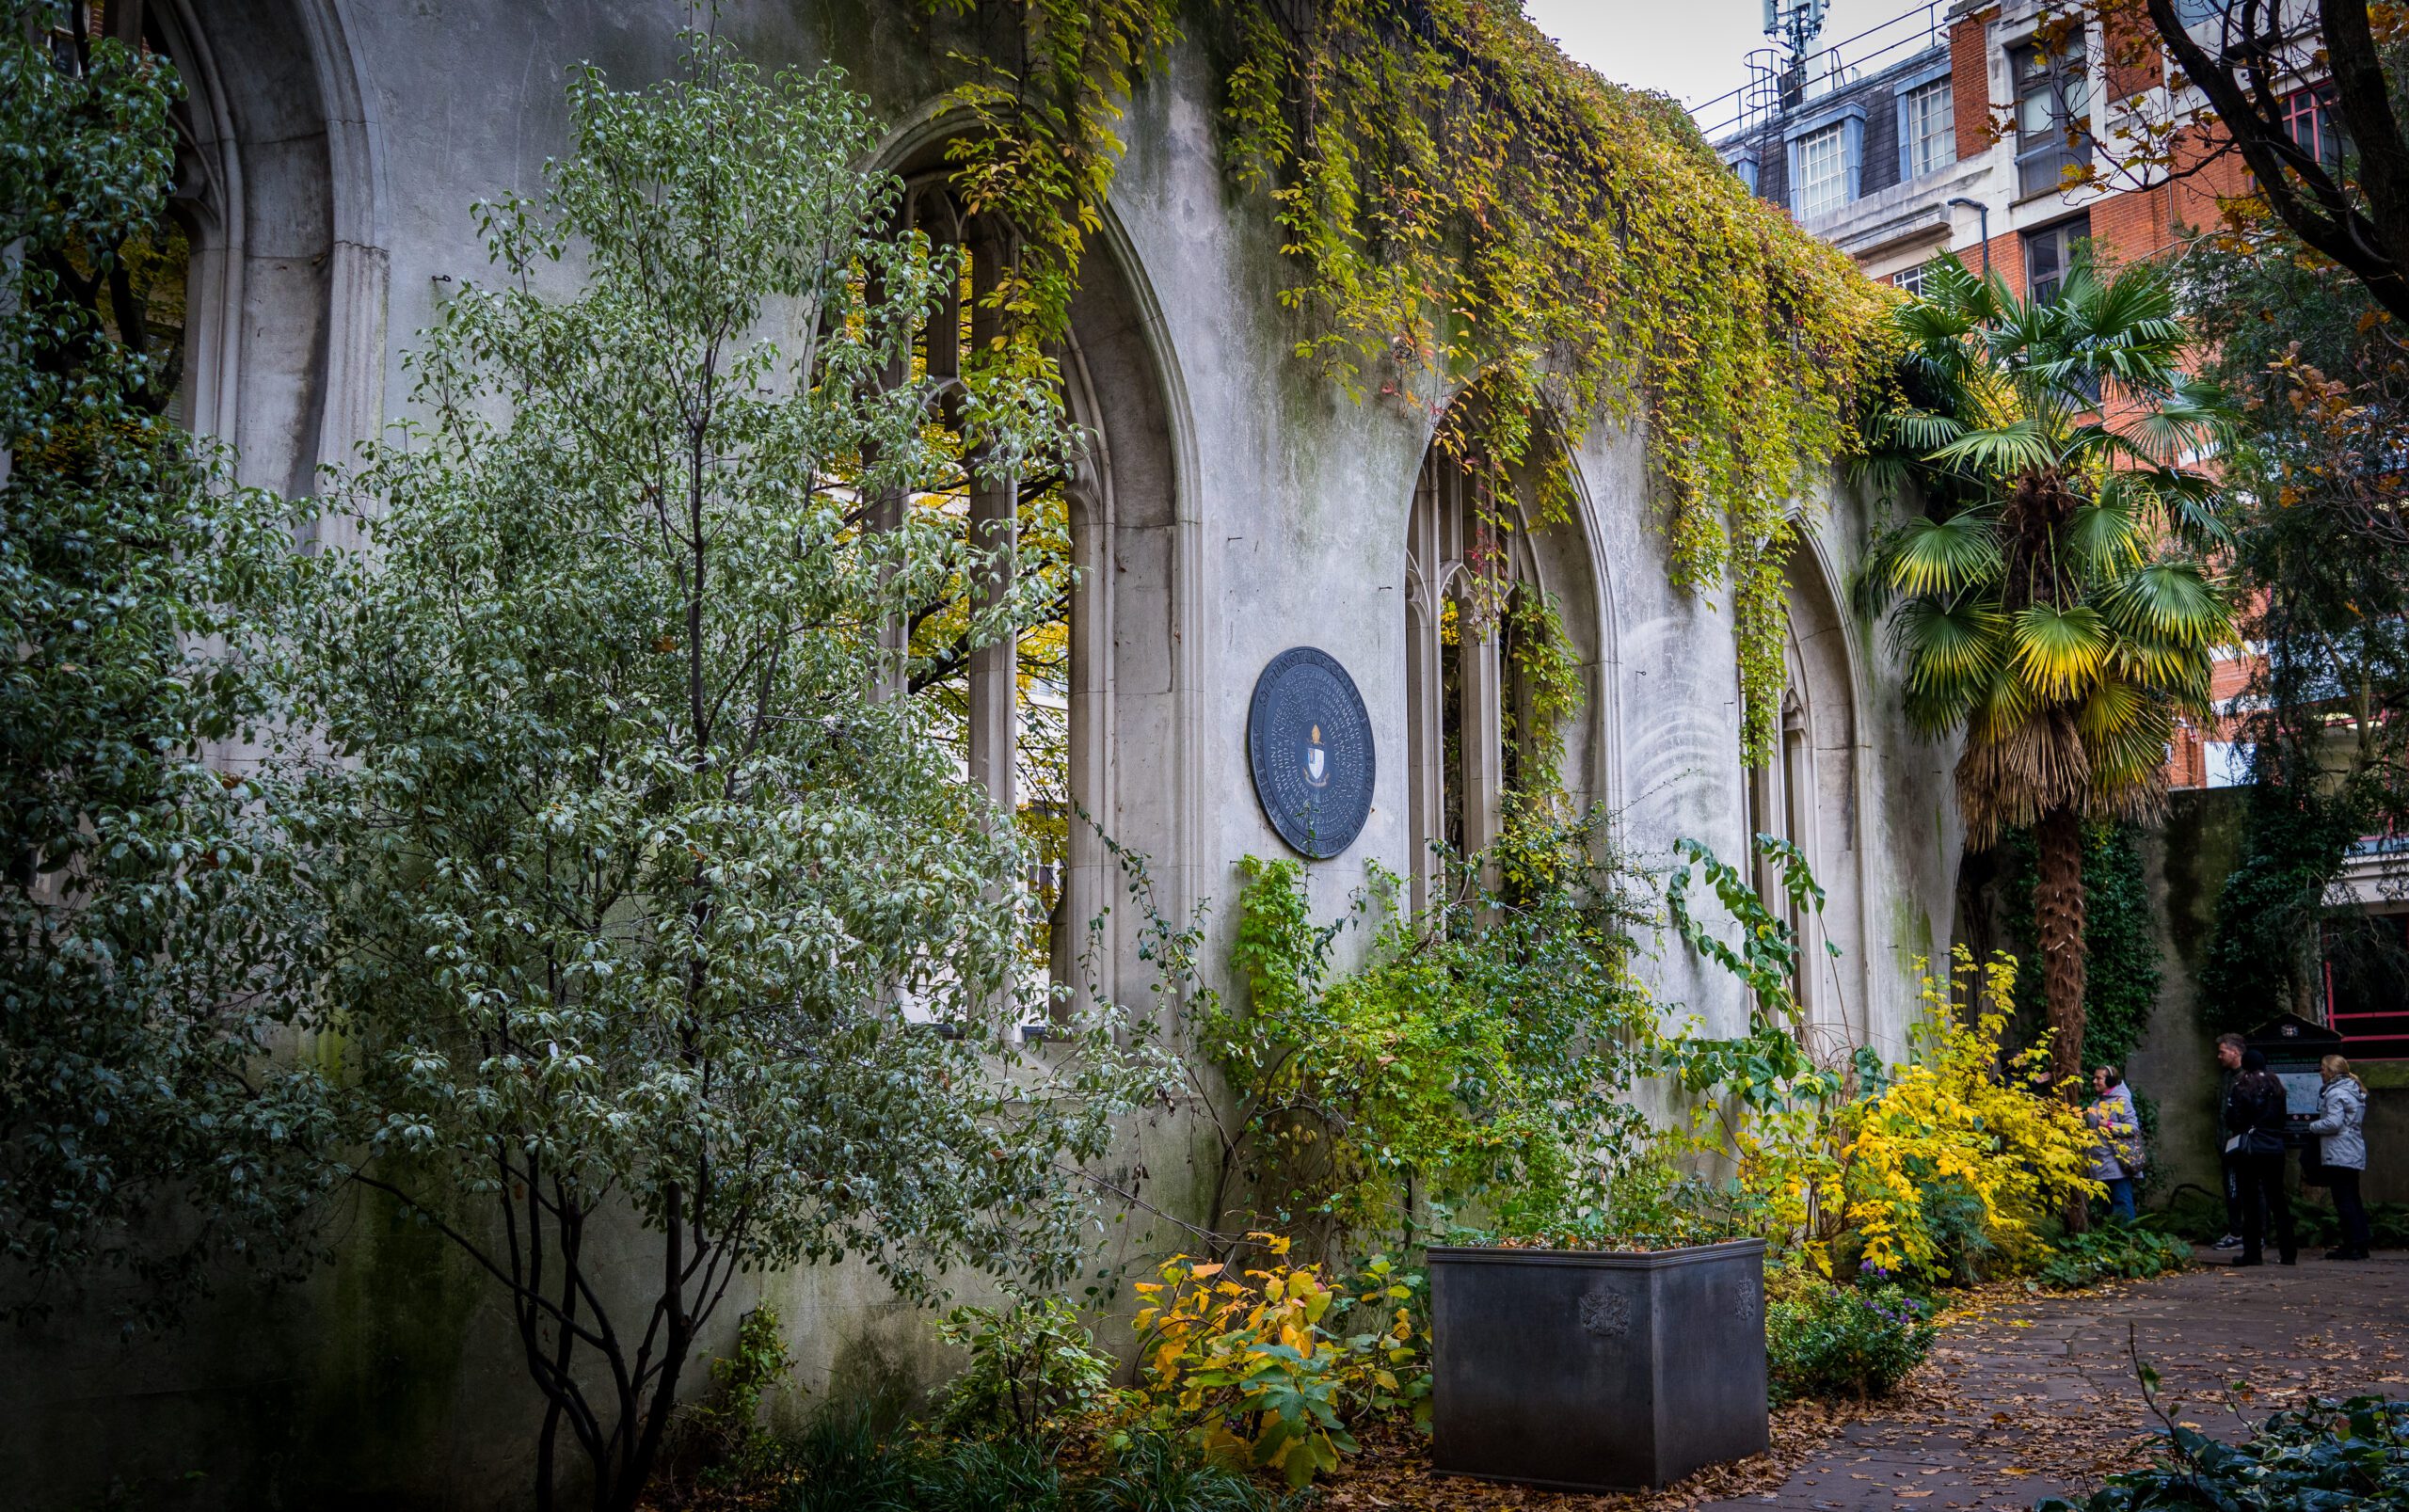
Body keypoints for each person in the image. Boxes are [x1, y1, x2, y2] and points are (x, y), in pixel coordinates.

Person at [2225, 1046, 2297, 1265]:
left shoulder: (2242, 1086)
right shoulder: (2277, 1086)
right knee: (2278, 1198)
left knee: (2251, 1200)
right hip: (2274, 1147)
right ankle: (2288, 1252)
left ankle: (2253, 1252)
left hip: (2251, 1148)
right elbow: (2282, 1119)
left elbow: (2233, 1119)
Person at [2305, 1053, 2372, 1261]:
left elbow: (2333, 1123)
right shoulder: (2353, 1090)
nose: (2320, 1072)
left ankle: (2351, 1244)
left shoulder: (2335, 1094)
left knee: (2343, 1200)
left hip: (2339, 1152)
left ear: (2332, 1071)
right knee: (2353, 1197)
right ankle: (2360, 1243)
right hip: (2352, 1150)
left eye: (2323, 1068)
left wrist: (2312, 1126)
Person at [2213, 1033, 2262, 1249]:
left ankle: (2253, 1234)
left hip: (2243, 1144)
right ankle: (2237, 1231)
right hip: (2227, 1144)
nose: (2219, 1056)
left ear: (2236, 1052)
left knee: (2251, 1190)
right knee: (2231, 1189)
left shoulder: (2249, 1078)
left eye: (2222, 1051)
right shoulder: (2227, 1077)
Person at [2085, 1066, 2145, 1221]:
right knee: (2107, 1208)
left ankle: (2126, 1241)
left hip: (2117, 1163)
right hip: (2100, 1162)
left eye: (2099, 1078)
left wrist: (2110, 1125)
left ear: (2111, 1081)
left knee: (2122, 1204)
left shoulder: (2122, 1102)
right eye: (2094, 1077)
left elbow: (2133, 1128)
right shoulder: (2097, 1102)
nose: (2094, 1081)